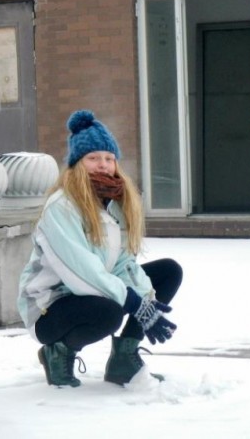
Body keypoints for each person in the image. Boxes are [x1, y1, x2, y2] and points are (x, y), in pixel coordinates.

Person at [18, 110, 183, 387]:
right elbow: (83, 274)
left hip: (91, 294)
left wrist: (147, 300)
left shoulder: (113, 204)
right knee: (109, 312)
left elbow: (122, 264)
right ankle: (57, 353)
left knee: (167, 272)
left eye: (108, 158)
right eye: (93, 158)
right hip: (50, 307)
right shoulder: (61, 207)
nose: (103, 165)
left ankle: (124, 358)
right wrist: (134, 303)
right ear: (77, 164)